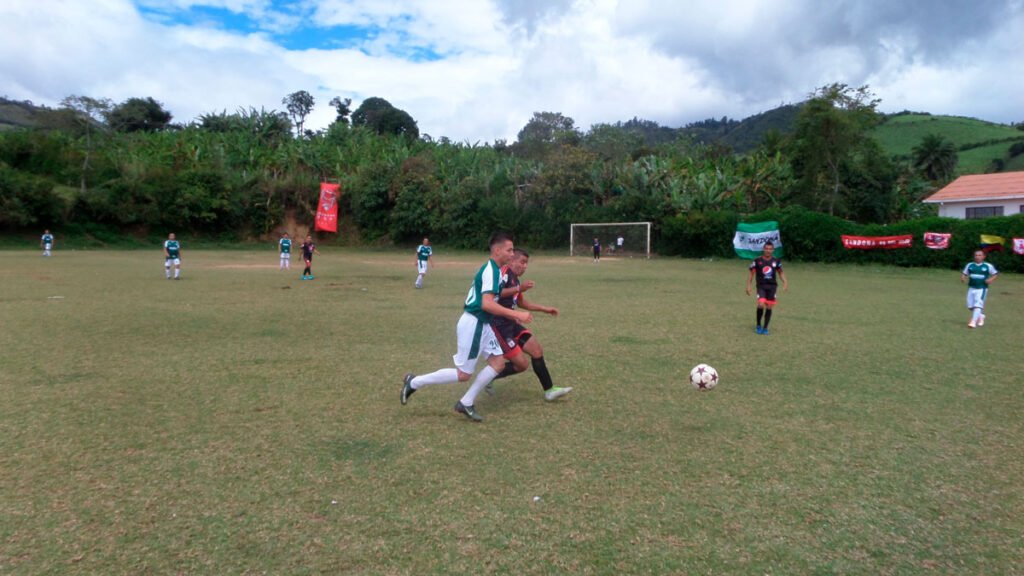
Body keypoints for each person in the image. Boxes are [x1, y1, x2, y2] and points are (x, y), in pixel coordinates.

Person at [401, 231, 532, 422]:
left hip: (484, 323)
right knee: (463, 374)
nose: (512, 254)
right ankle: (414, 382)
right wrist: (516, 314)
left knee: (498, 363)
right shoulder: (491, 271)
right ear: (497, 250)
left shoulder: (495, 270)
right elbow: (486, 304)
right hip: (475, 323)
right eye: (509, 250)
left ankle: (466, 402)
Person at [488, 248, 572, 401]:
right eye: (522, 262)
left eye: (526, 263)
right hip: (499, 326)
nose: (525, 266)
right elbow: (495, 293)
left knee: (536, 350)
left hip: (511, 323)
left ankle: (549, 390)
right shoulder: (503, 273)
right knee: (521, 365)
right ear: (511, 260)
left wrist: (545, 309)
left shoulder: (515, 279)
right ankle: (487, 377)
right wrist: (519, 289)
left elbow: (522, 303)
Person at [745, 241, 787, 335]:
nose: (768, 250)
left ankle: (765, 328)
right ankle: (758, 325)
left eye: (770, 249)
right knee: (761, 304)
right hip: (761, 286)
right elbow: (751, 274)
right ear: (763, 249)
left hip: (772, 286)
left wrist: (785, 282)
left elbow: (780, 272)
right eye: (766, 248)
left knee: (769, 306)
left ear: (773, 250)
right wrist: (748, 286)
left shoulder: (776, 261)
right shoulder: (757, 261)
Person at [961, 249, 998, 328]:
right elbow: (965, 273)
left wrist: (990, 279)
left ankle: (973, 322)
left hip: (982, 288)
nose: (977, 257)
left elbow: (995, 274)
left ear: (984, 257)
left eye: (979, 255)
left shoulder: (988, 266)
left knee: (978, 305)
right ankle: (981, 316)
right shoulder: (970, 265)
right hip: (971, 288)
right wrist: (963, 277)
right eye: (976, 255)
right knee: (970, 306)